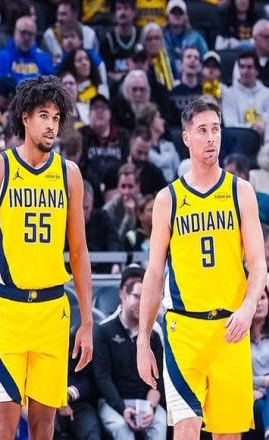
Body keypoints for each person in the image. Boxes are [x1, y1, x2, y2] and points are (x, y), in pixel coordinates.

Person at [0, 75, 93, 440]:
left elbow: (79, 252)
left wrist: (88, 321)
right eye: (44, 115)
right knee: (4, 428)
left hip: (53, 313)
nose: (51, 125)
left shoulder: (69, 174)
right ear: (25, 118)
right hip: (10, 313)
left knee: (44, 429)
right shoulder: (0, 167)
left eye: (56, 117)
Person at [137, 95, 267, 439]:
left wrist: (248, 308)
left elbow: (258, 264)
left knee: (229, 435)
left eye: (216, 129)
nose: (211, 138)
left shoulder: (241, 192)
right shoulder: (168, 199)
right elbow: (153, 274)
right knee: (186, 429)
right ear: (186, 137)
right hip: (184, 331)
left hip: (230, 329)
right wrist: (143, 340)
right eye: (202, 130)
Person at [94, 279, 167, 440]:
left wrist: (150, 407)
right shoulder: (103, 332)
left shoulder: (153, 337)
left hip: (145, 402)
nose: (142, 303)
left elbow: (158, 381)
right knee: (121, 427)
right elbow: (102, 378)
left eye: (146, 298)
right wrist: (122, 409)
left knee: (160, 424)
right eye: (137, 296)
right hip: (114, 403)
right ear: (124, 296)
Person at [250, 279, 269, 439]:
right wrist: (262, 383)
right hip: (251, 392)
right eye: (255, 299)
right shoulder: (240, 340)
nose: (259, 303)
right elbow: (239, 377)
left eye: (262, 298)